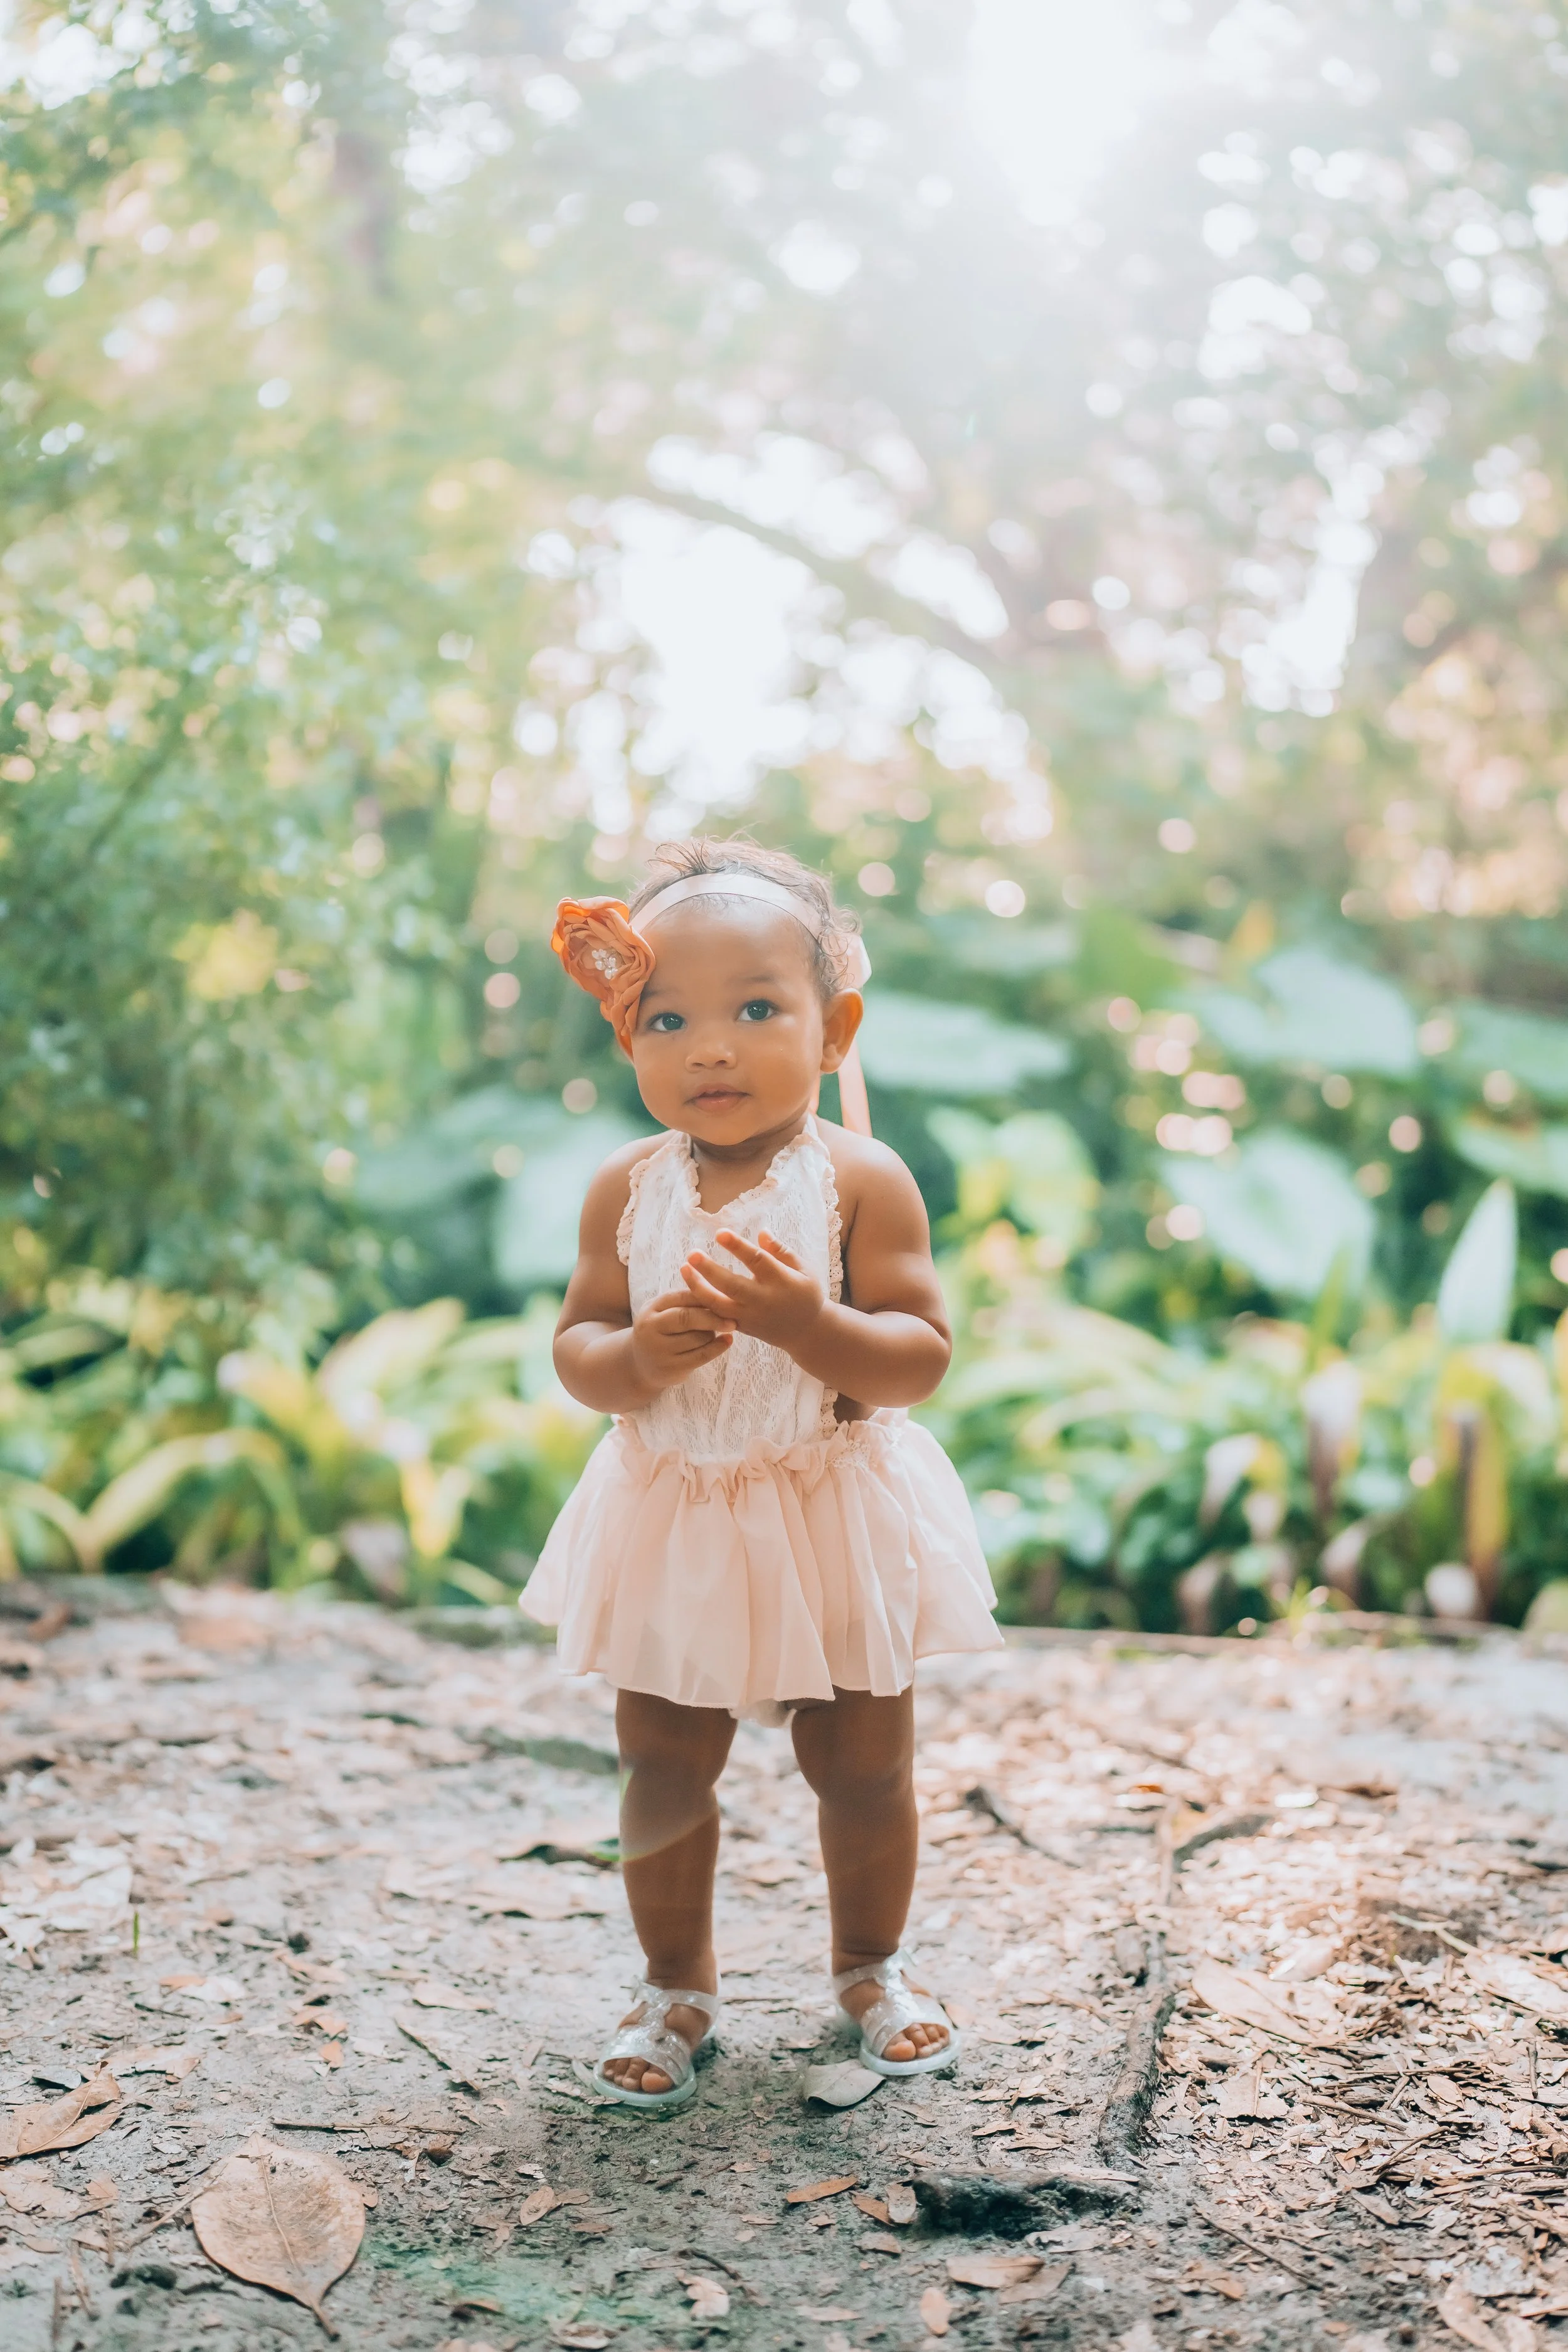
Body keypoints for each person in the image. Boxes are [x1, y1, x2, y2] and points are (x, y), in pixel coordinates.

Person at [522, 838, 1002, 2110]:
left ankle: (868, 1967)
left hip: (827, 1502)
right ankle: (674, 1985)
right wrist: (636, 1356)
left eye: (754, 1009)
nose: (710, 1047)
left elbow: (914, 1358)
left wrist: (810, 1325)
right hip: (678, 1509)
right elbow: (577, 1346)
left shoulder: (859, 1181)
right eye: (666, 1016)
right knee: (663, 1761)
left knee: (862, 1762)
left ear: (832, 1028)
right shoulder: (623, 1189)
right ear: (628, 1039)